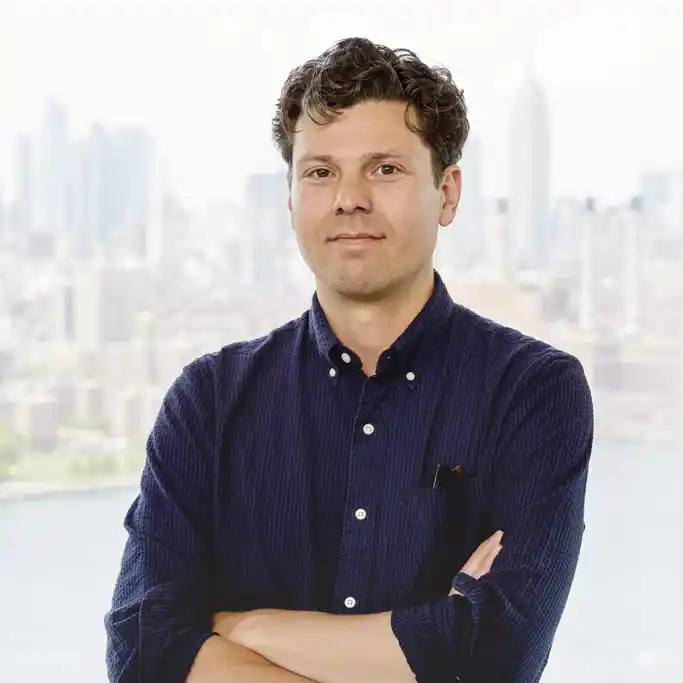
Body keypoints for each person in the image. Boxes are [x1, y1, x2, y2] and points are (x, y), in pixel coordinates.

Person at [105, 37, 593, 683]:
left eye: (384, 169)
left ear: (447, 192)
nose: (349, 198)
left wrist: (243, 628)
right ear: (290, 198)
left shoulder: (532, 390)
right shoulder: (209, 400)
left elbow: (498, 652)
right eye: (320, 172)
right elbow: (143, 652)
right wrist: (431, 639)